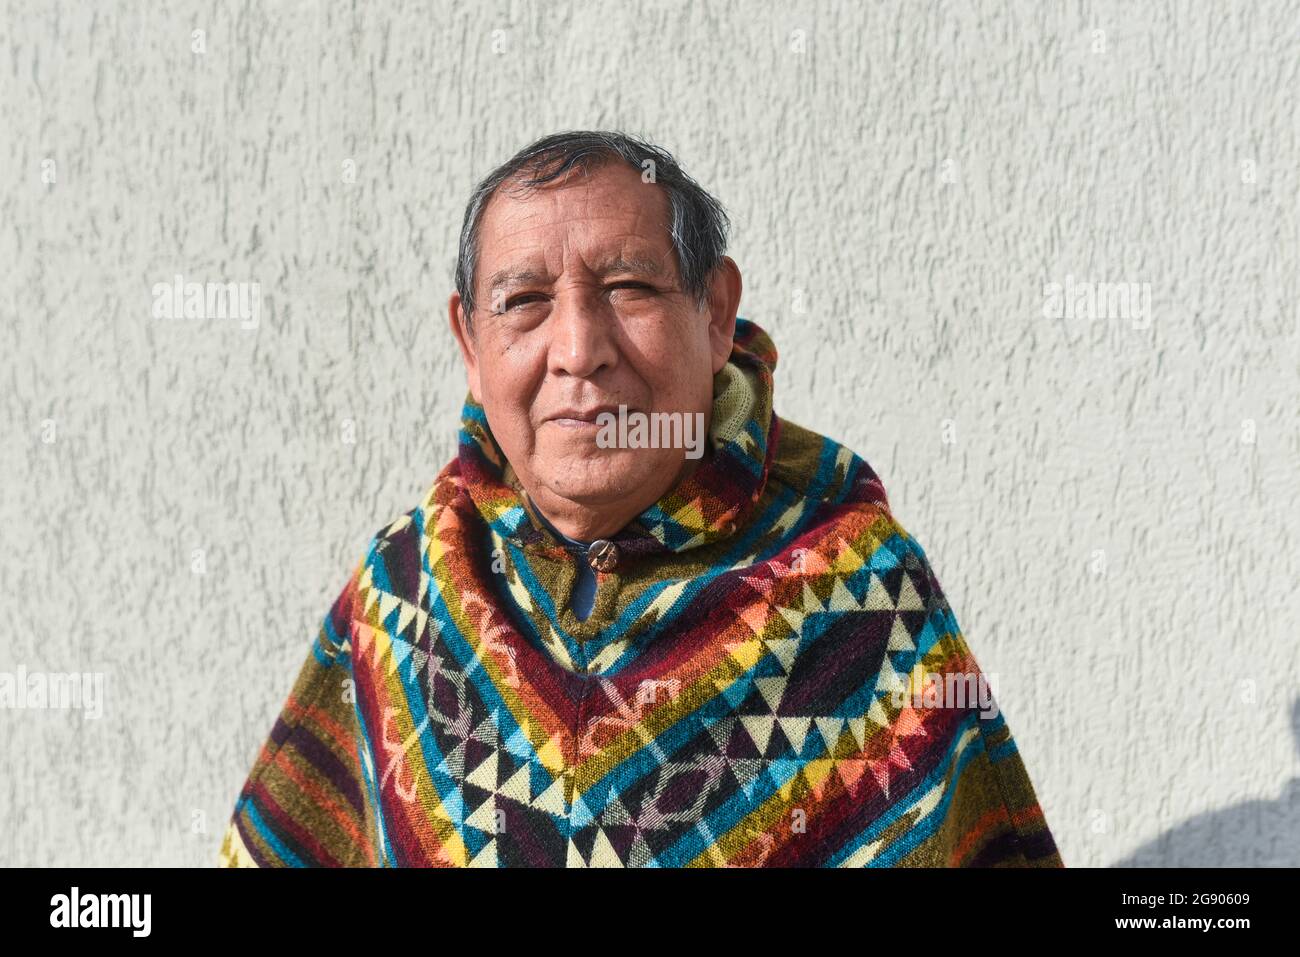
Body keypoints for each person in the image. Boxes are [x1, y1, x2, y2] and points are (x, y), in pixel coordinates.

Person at [218, 130, 1063, 867]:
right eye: (524, 302)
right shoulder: (407, 593)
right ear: (470, 343)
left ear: (717, 312)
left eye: (629, 287)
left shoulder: (857, 596)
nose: (579, 349)